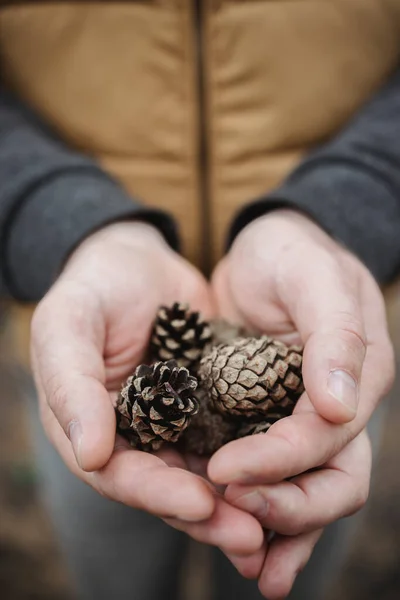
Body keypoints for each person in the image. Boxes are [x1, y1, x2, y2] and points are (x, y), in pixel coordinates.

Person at [1, 2, 400, 598]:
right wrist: (58, 220)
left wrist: (349, 206)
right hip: (91, 348)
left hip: (328, 322)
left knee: (275, 548)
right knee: (115, 571)